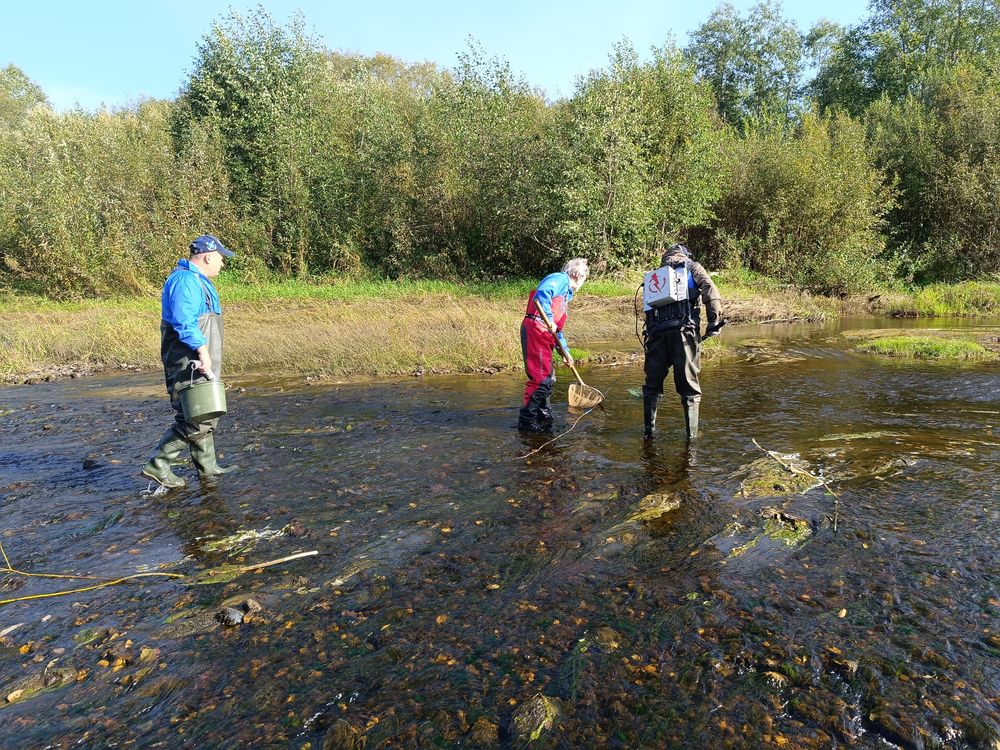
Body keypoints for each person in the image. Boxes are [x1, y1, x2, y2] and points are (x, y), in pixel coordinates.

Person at [141, 234, 236, 488]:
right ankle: (158, 465)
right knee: (194, 415)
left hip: (196, 357)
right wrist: (203, 353)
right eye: (220, 258)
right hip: (188, 359)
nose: (222, 264)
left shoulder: (196, 280)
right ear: (207, 256)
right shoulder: (185, 281)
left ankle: (208, 468)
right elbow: (185, 323)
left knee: (203, 411)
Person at [641, 243, 724, 440]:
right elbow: (710, 290)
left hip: (656, 335)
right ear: (684, 255)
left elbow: (648, 310)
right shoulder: (692, 267)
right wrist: (714, 321)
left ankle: (648, 434)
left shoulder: (654, 275)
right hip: (683, 332)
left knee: (652, 386)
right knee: (689, 388)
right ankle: (691, 438)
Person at [518, 258, 589, 433]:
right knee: (541, 379)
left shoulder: (565, 296)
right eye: (584, 279)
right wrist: (549, 318)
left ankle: (544, 415)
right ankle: (527, 422)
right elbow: (542, 292)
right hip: (536, 329)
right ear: (579, 276)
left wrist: (565, 352)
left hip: (545, 334)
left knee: (549, 379)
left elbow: (558, 331)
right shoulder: (560, 279)